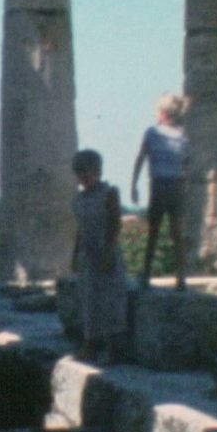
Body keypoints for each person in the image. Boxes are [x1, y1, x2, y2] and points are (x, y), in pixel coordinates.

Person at [71, 149, 128, 364]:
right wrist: (74, 255)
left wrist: (109, 253)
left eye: (87, 176)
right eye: (80, 177)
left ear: (97, 172)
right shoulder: (79, 199)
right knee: (89, 301)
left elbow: (115, 225)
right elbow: (80, 229)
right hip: (88, 253)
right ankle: (90, 345)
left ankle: (112, 350)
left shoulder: (109, 193)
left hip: (106, 252)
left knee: (110, 302)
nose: (83, 181)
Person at [130, 92, 190, 290]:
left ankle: (145, 274)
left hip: (159, 186)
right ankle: (181, 277)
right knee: (177, 234)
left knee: (153, 232)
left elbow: (140, 158)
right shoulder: (184, 135)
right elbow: (187, 164)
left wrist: (134, 185)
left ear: (163, 112)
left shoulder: (152, 133)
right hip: (177, 186)